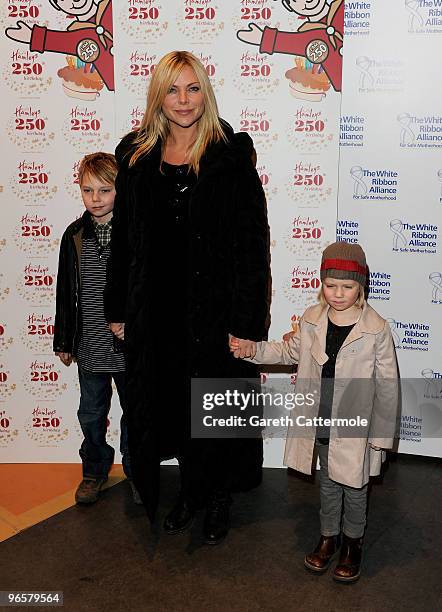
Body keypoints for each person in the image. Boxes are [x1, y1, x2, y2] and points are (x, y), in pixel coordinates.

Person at [105, 51, 270, 544]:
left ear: (205, 92)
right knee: (175, 409)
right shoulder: (135, 158)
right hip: (158, 312)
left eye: (193, 88)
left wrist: (246, 321)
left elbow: (252, 244)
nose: (183, 100)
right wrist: (119, 309)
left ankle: (217, 496)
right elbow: (125, 243)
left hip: (215, 311)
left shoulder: (231, 156)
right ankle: (190, 493)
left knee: (217, 409)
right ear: (158, 95)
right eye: (173, 89)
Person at [230, 241, 399, 581]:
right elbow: (287, 352)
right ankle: (328, 538)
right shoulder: (311, 319)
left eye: (348, 287)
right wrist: (253, 349)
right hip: (319, 420)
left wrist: (381, 436)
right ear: (321, 284)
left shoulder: (376, 328)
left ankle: (353, 543)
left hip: (356, 427)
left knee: (354, 487)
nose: (338, 293)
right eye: (331, 285)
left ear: (361, 286)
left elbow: (388, 386)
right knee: (328, 484)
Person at [53, 152, 141, 505]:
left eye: (105, 191)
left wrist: (135, 325)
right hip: (89, 346)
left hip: (127, 348)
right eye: (88, 190)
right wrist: (64, 337)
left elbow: (143, 289)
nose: (95, 199)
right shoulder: (73, 236)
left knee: (135, 416)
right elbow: (64, 291)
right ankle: (94, 470)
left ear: (120, 190)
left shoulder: (134, 233)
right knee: (90, 414)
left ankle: (138, 472)